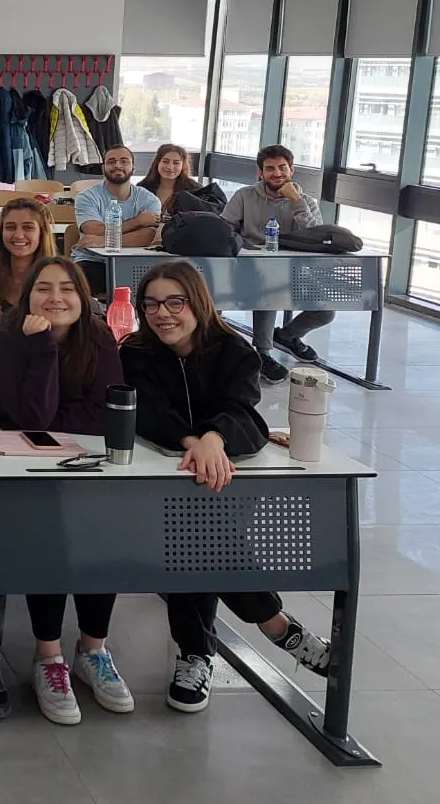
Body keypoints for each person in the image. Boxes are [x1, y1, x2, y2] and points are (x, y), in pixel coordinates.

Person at [119, 260, 332, 713]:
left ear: (198, 303)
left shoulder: (236, 352)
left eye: (174, 302)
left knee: (195, 532)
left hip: (217, 485)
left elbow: (244, 411)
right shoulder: (136, 352)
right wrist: (192, 442)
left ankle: (196, 653)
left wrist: (215, 439)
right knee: (195, 529)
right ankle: (275, 624)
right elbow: (148, 412)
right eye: (151, 304)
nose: (162, 314)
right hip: (159, 482)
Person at [0, 257, 131, 725]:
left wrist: (58, 421)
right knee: (52, 532)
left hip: (85, 465)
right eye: (43, 288)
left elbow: (105, 414)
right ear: (27, 297)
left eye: (67, 288)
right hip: (17, 472)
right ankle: (48, 657)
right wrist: (42, 347)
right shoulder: (5, 340)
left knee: (104, 532)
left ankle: (93, 650)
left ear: (82, 297)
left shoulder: (98, 337)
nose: (55, 298)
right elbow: (33, 418)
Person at [222, 144, 332, 381]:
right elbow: (224, 228)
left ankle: (287, 336)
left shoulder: (306, 201)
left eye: (282, 168)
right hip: (250, 269)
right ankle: (263, 353)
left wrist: (296, 202)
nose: (277, 173)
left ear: (292, 170)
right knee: (269, 287)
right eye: (270, 168)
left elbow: (318, 237)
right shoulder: (244, 196)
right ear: (260, 172)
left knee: (325, 310)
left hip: (296, 271)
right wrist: (245, 246)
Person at [72, 145, 163, 294]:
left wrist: (103, 241)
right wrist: (138, 222)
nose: (118, 165)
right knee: (81, 280)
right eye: (111, 161)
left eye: (124, 161)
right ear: (103, 168)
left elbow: (146, 237)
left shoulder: (149, 199)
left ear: (133, 168)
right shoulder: (86, 197)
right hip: (92, 261)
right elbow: (93, 230)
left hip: (134, 262)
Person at [0, 198, 58, 322]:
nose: (18, 235)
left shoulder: (58, 278)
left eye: (28, 227)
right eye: (10, 227)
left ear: (42, 233)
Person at [137, 143, 202, 215]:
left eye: (176, 163)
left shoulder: (195, 190)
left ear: (183, 166)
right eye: (165, 161)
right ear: (157, 163)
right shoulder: (142, 187)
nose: (170, 167)